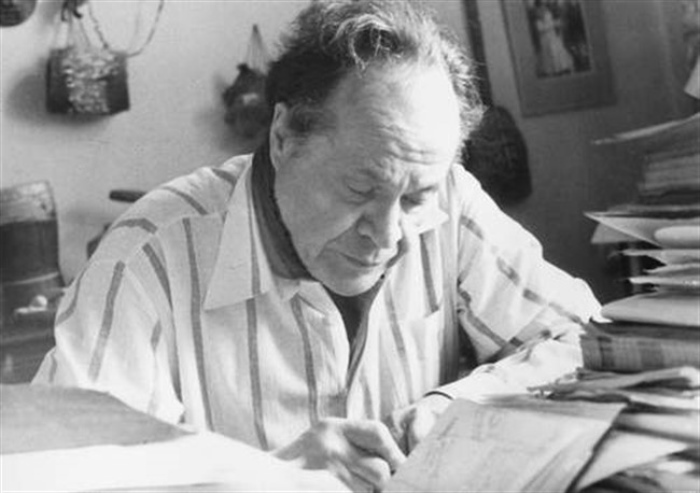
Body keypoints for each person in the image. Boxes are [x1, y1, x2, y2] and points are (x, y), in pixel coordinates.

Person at [34, 1, 600, 491]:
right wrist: (264, 478)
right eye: (359, 189)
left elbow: (588, 342)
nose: (389, 235)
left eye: (413, 198)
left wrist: (455, 409)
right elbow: (66, 474)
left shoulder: (449, 199)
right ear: (283, 137)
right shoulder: (147, 257)